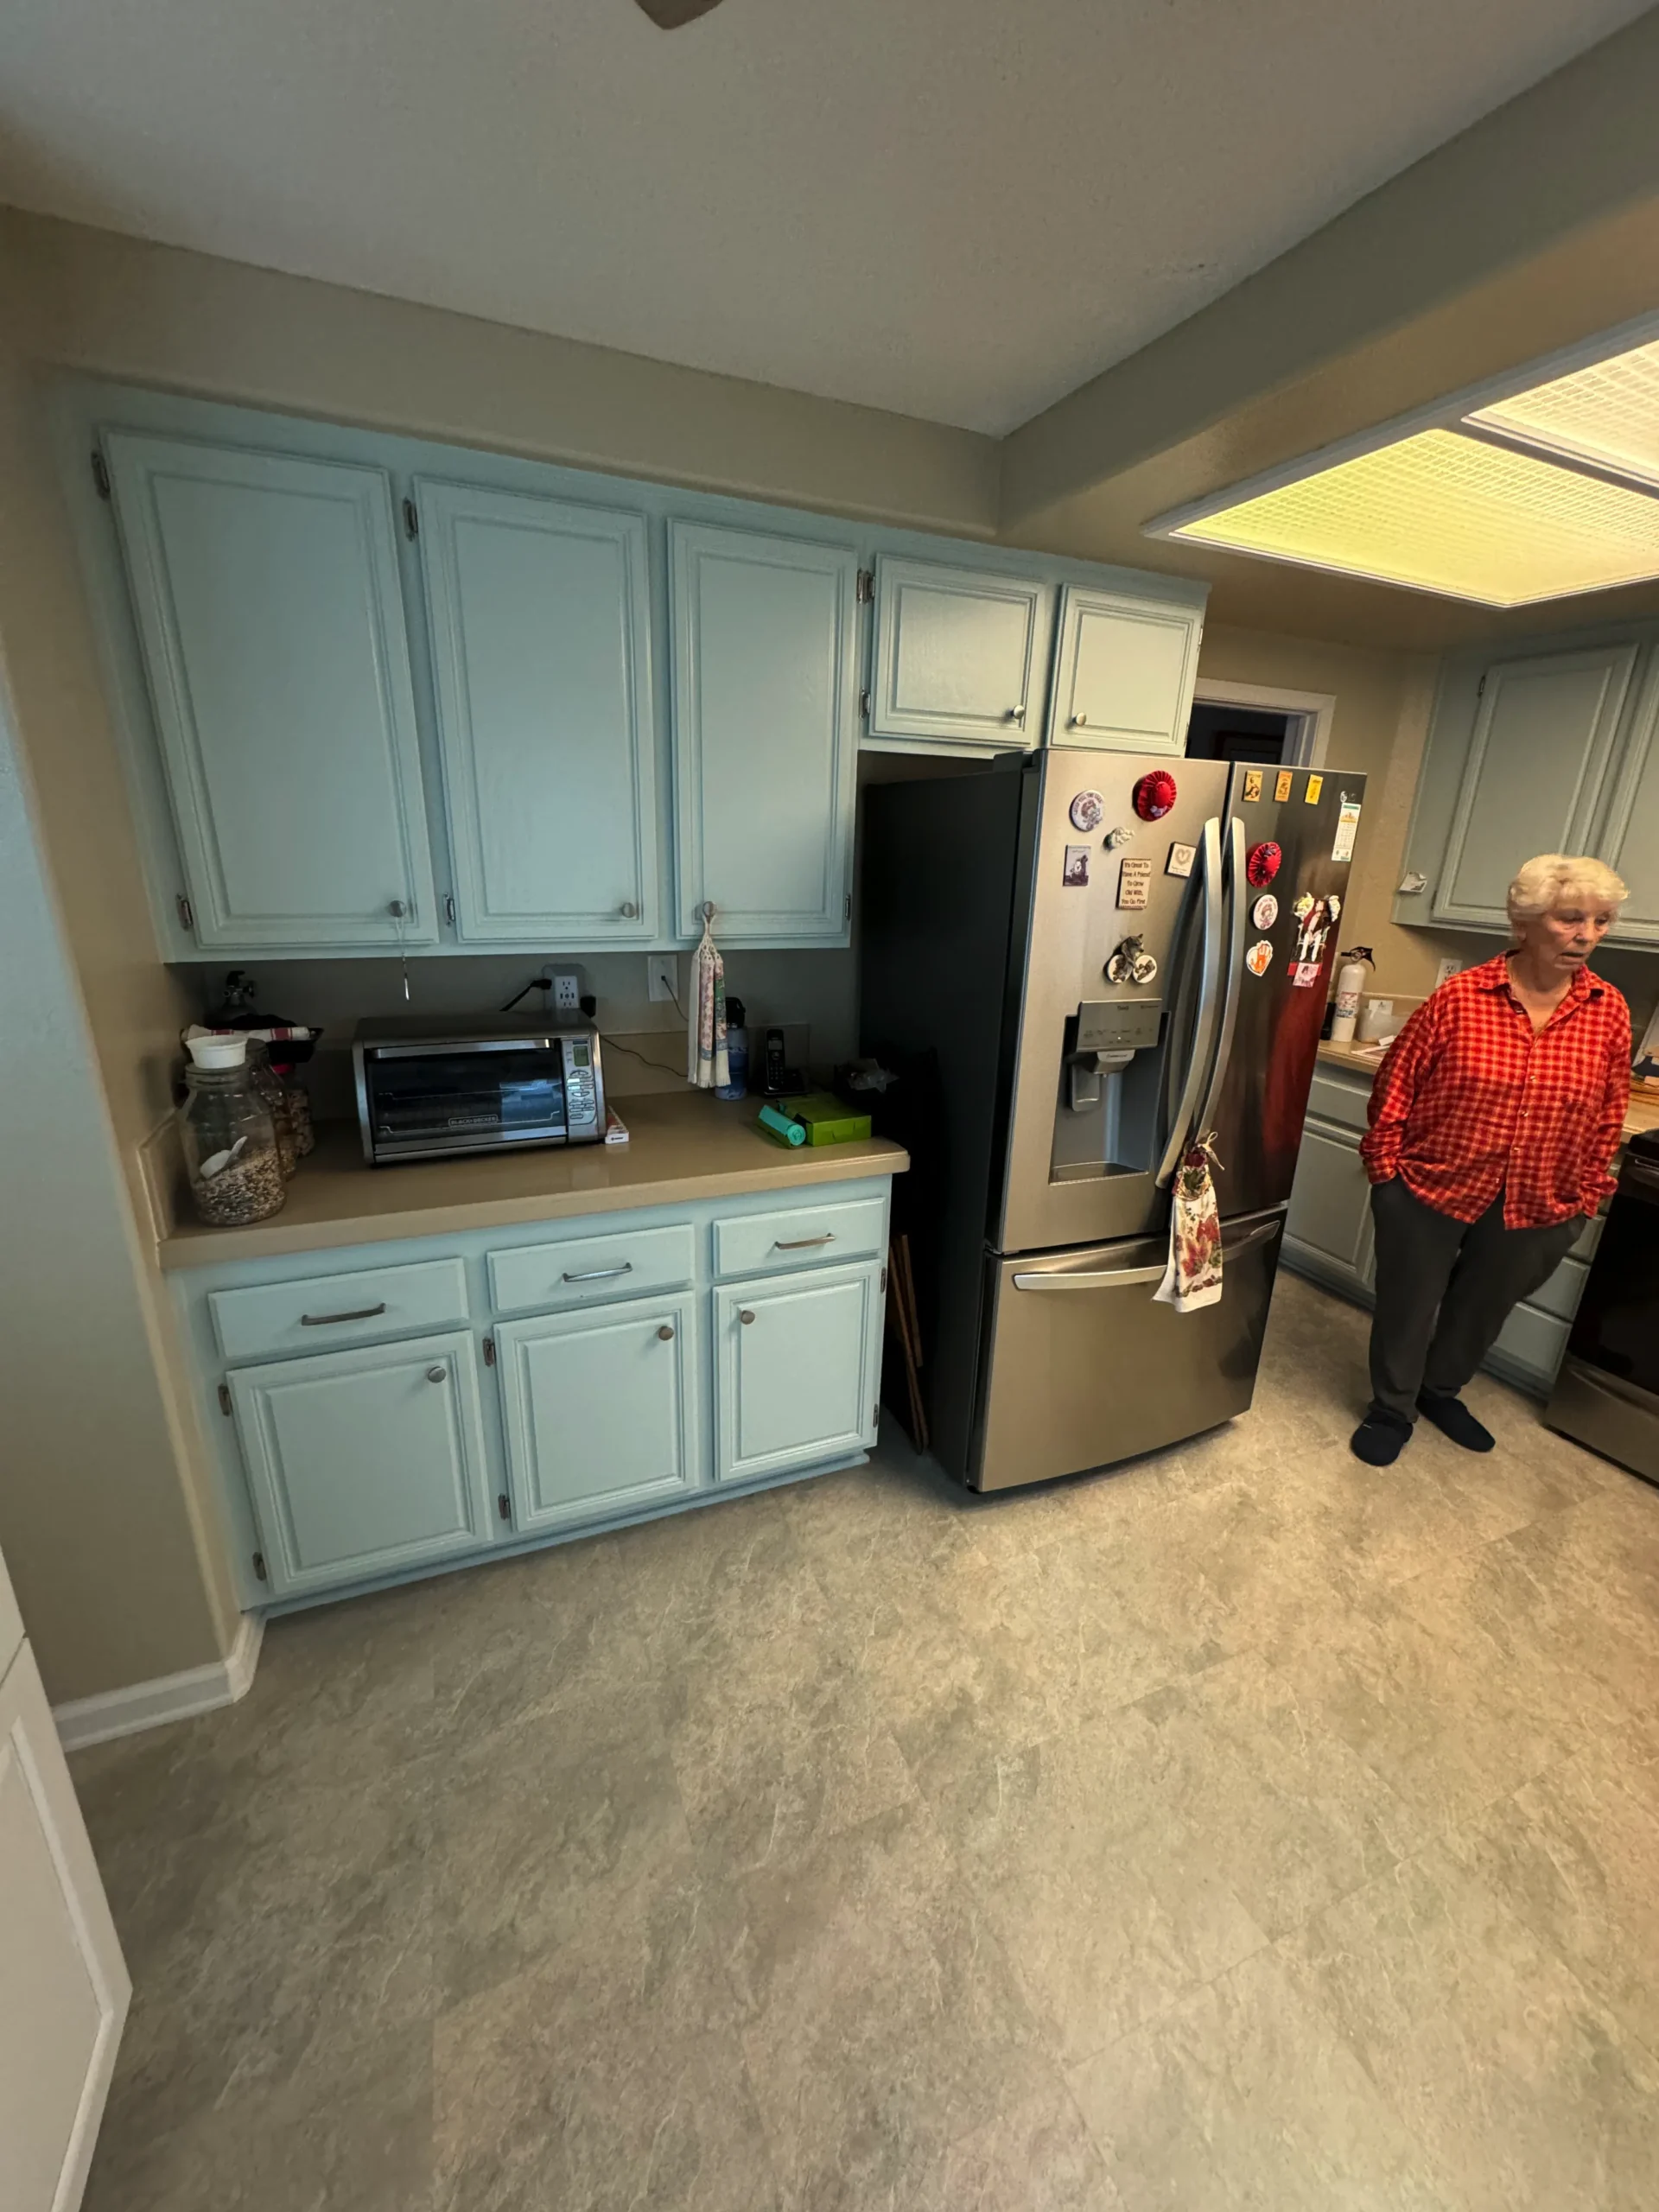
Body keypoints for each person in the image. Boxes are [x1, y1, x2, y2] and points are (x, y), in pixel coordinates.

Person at [1351, 854, 1630, 1466]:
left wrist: (1586, 1195)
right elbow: (1395, 1087)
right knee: (1409, 1304)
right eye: (1570, 918)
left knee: (1483, 1308)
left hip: (1540, 1195)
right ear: (1525, 922)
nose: (1587, 936)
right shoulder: (1460, 998)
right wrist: (1385, 1173)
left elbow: (1611, 1105)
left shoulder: (1608, 1009)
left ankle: (1439, 1391)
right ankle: (1390, 1409)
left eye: (1601, 921)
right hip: (1431, 1183)